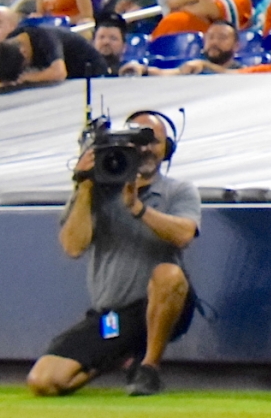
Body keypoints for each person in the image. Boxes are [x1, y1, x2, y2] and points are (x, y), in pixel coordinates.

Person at [28, 110, 199, 398]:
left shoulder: (179, 190)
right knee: (45, 381)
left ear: (167, 149)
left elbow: (183, 235)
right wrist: (84, 186)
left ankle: (149, 369)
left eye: (152, 142)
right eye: (136, 142)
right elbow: (73, 246)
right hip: (114, 316)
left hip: (162, 304)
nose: (145, 149)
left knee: (168, 274)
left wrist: (138, 209)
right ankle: (119, 354)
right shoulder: (98, 190)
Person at [0, 17, 107, 90]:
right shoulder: (11, 40)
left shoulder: (46, 38)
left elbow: (59, 72)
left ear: (25, 53)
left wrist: (29, 78)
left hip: (90, 75)